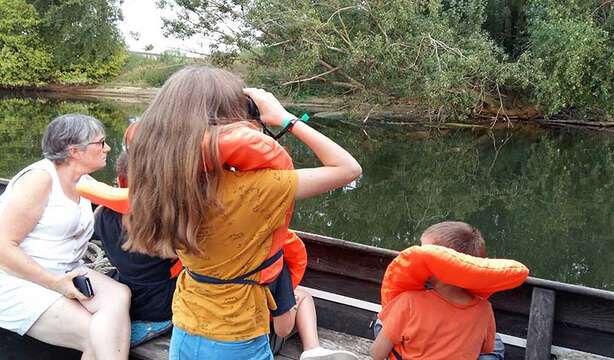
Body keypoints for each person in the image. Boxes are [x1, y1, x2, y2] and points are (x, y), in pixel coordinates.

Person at [123, 65, 362, 360]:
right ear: (233, 119)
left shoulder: (159, 178)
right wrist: (285, 119)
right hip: (237, 334)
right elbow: (348, 169)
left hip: (185, 324)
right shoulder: (257, 188)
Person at [0, 114, 131, 359]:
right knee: (95, 335)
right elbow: (2, 248)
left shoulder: (84, 182)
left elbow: (120, 204)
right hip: (15, 280)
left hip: (64, 271)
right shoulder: (39, 180)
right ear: (75, 151)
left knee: (119, 294)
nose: (108, 148)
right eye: (101, 143)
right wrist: (55, 283)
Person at [370, 221, 498, 360]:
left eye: (421, 255)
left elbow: (377, 354)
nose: (414, 259)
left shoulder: (408, 302)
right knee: (497, 344)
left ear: (443, 267)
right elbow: (486, 348)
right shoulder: (485, 309)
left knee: (380, 321)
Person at [92, 151, 175, 346]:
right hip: (163, 304)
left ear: (120, 180)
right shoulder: (169, 220)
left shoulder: (101, 215)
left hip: (130, 298)